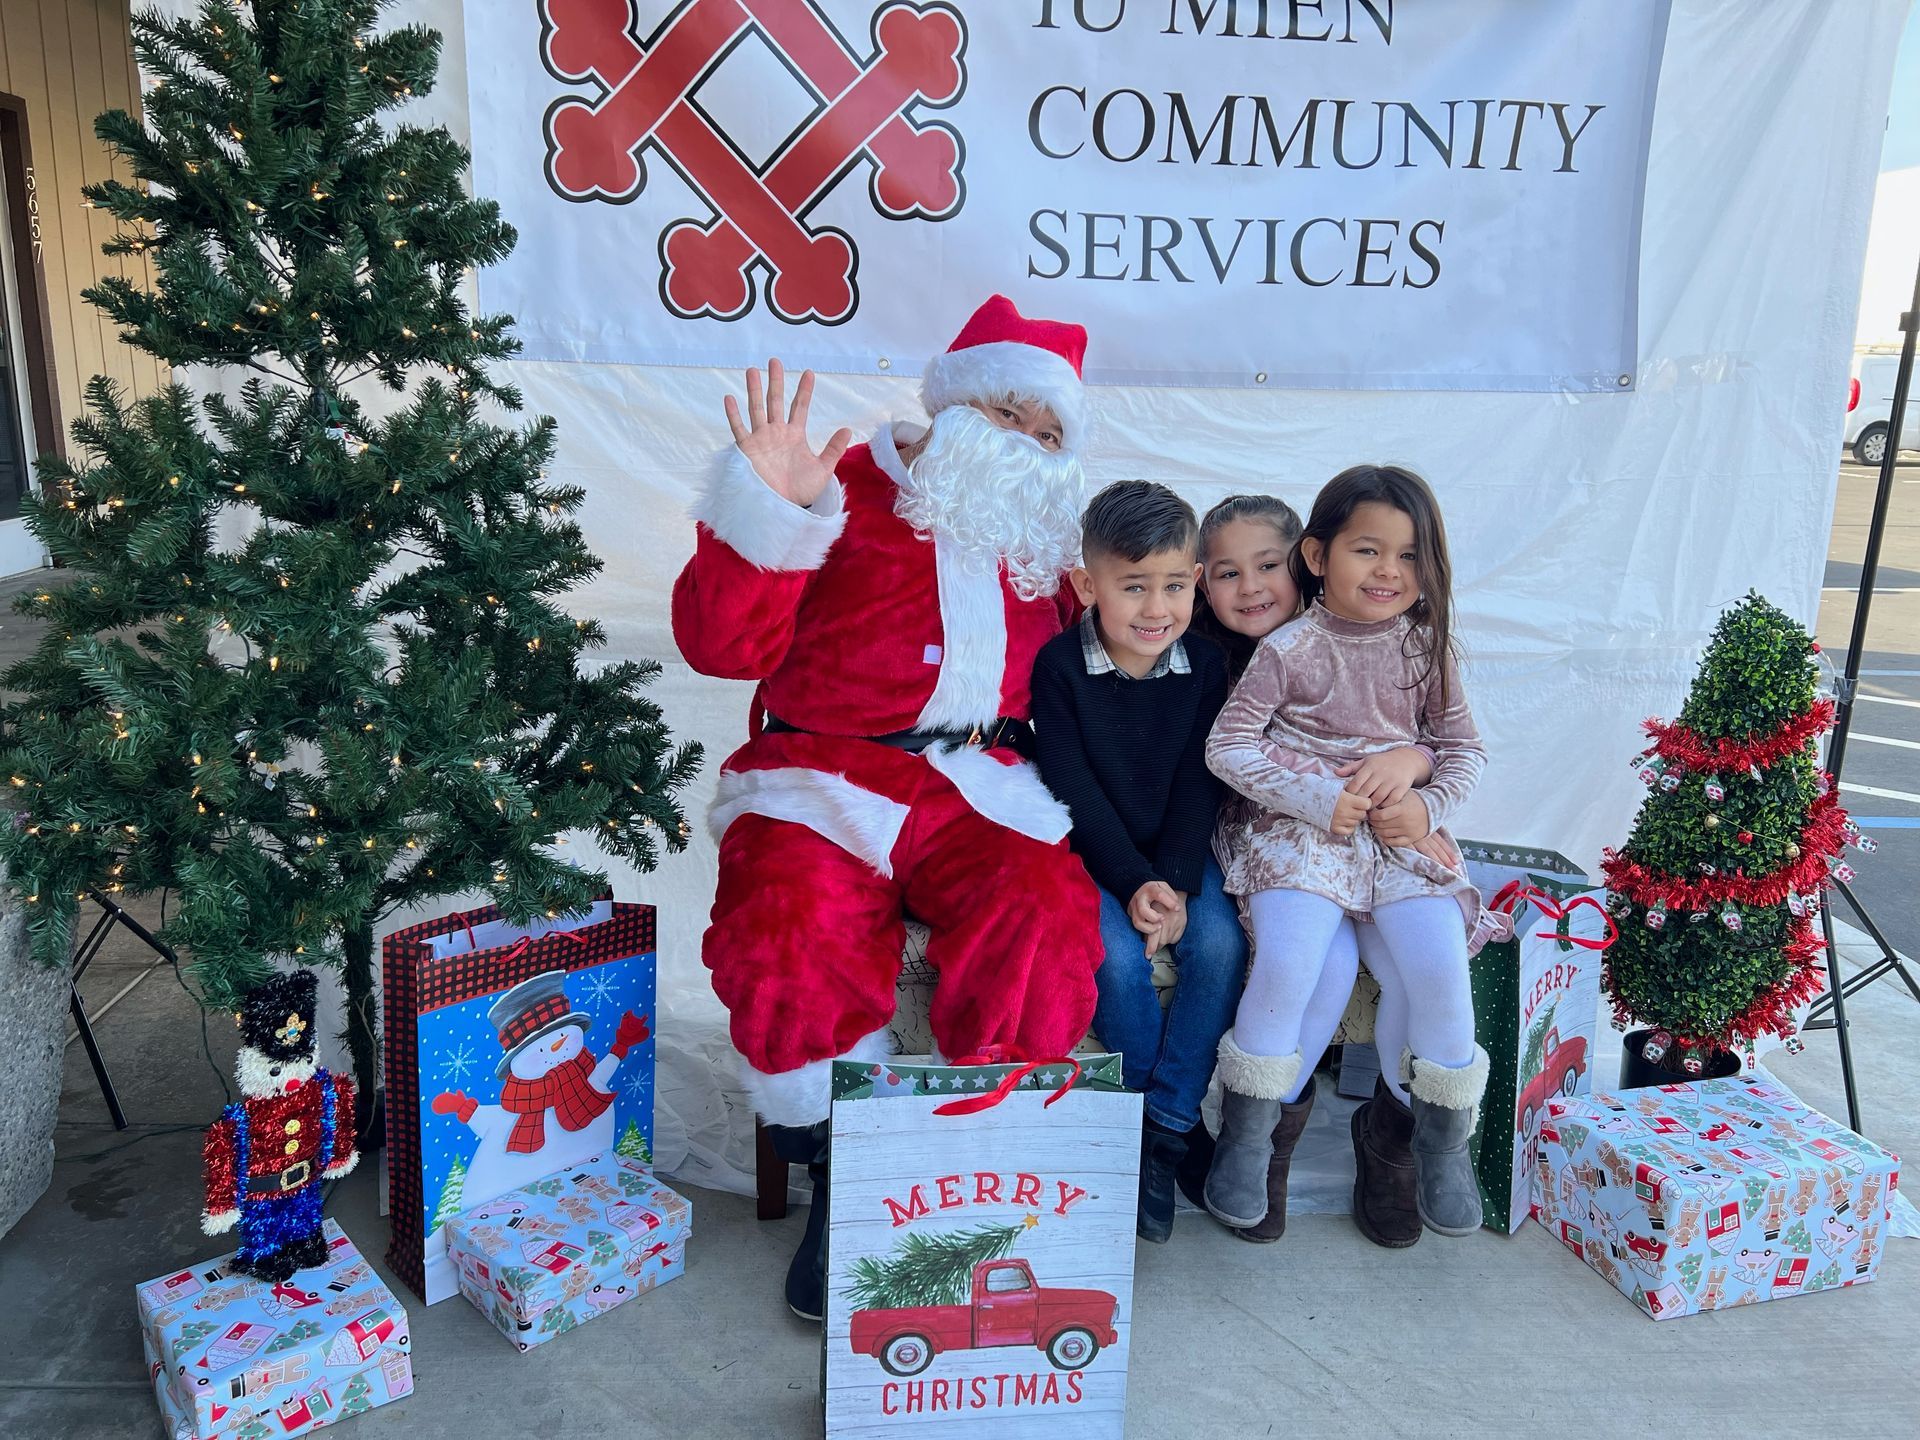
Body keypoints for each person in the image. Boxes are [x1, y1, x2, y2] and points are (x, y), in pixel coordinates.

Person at [671, 295, 1104, 1321]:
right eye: (1015, 418)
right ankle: (842, 1168)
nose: (1032, 449)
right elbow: (721, 650)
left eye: (1051, 435)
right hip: (824, 779)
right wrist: (767, 517)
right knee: (787, 924)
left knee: (1044, 919)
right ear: (953, 405)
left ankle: (973, 1163)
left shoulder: (1043, 542)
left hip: (984, 787)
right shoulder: (839, 491)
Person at [1202, 465, 1489, 1244]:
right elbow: (1227, 746)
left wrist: (1422, 786)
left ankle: (1432, 1143)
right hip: (1300, 833)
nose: (1390, 571)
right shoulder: (1290, 649)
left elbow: (1461, 748)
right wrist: (1315, 796)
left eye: (1409, 555)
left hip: (1399, 838)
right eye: (1369, 551)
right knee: (1298, 961)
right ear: (1319, 555)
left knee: (1433, 966)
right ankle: (1249, 1138)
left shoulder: (1426, 650)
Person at [1030, 481, 1244, 1244]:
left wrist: (1177, 882)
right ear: (1088, 586)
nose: (1158, 608)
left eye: (1177, 585)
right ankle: (1145, 1121)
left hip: (1178, 853)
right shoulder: (1058, 668)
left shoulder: (1205, 666)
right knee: (1115, 965)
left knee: (1220, 944)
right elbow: (1069, 785)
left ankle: (1168, 1119)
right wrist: (1133, 882)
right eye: (1134, 586)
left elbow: (1198, 777)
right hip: (1095, 855)